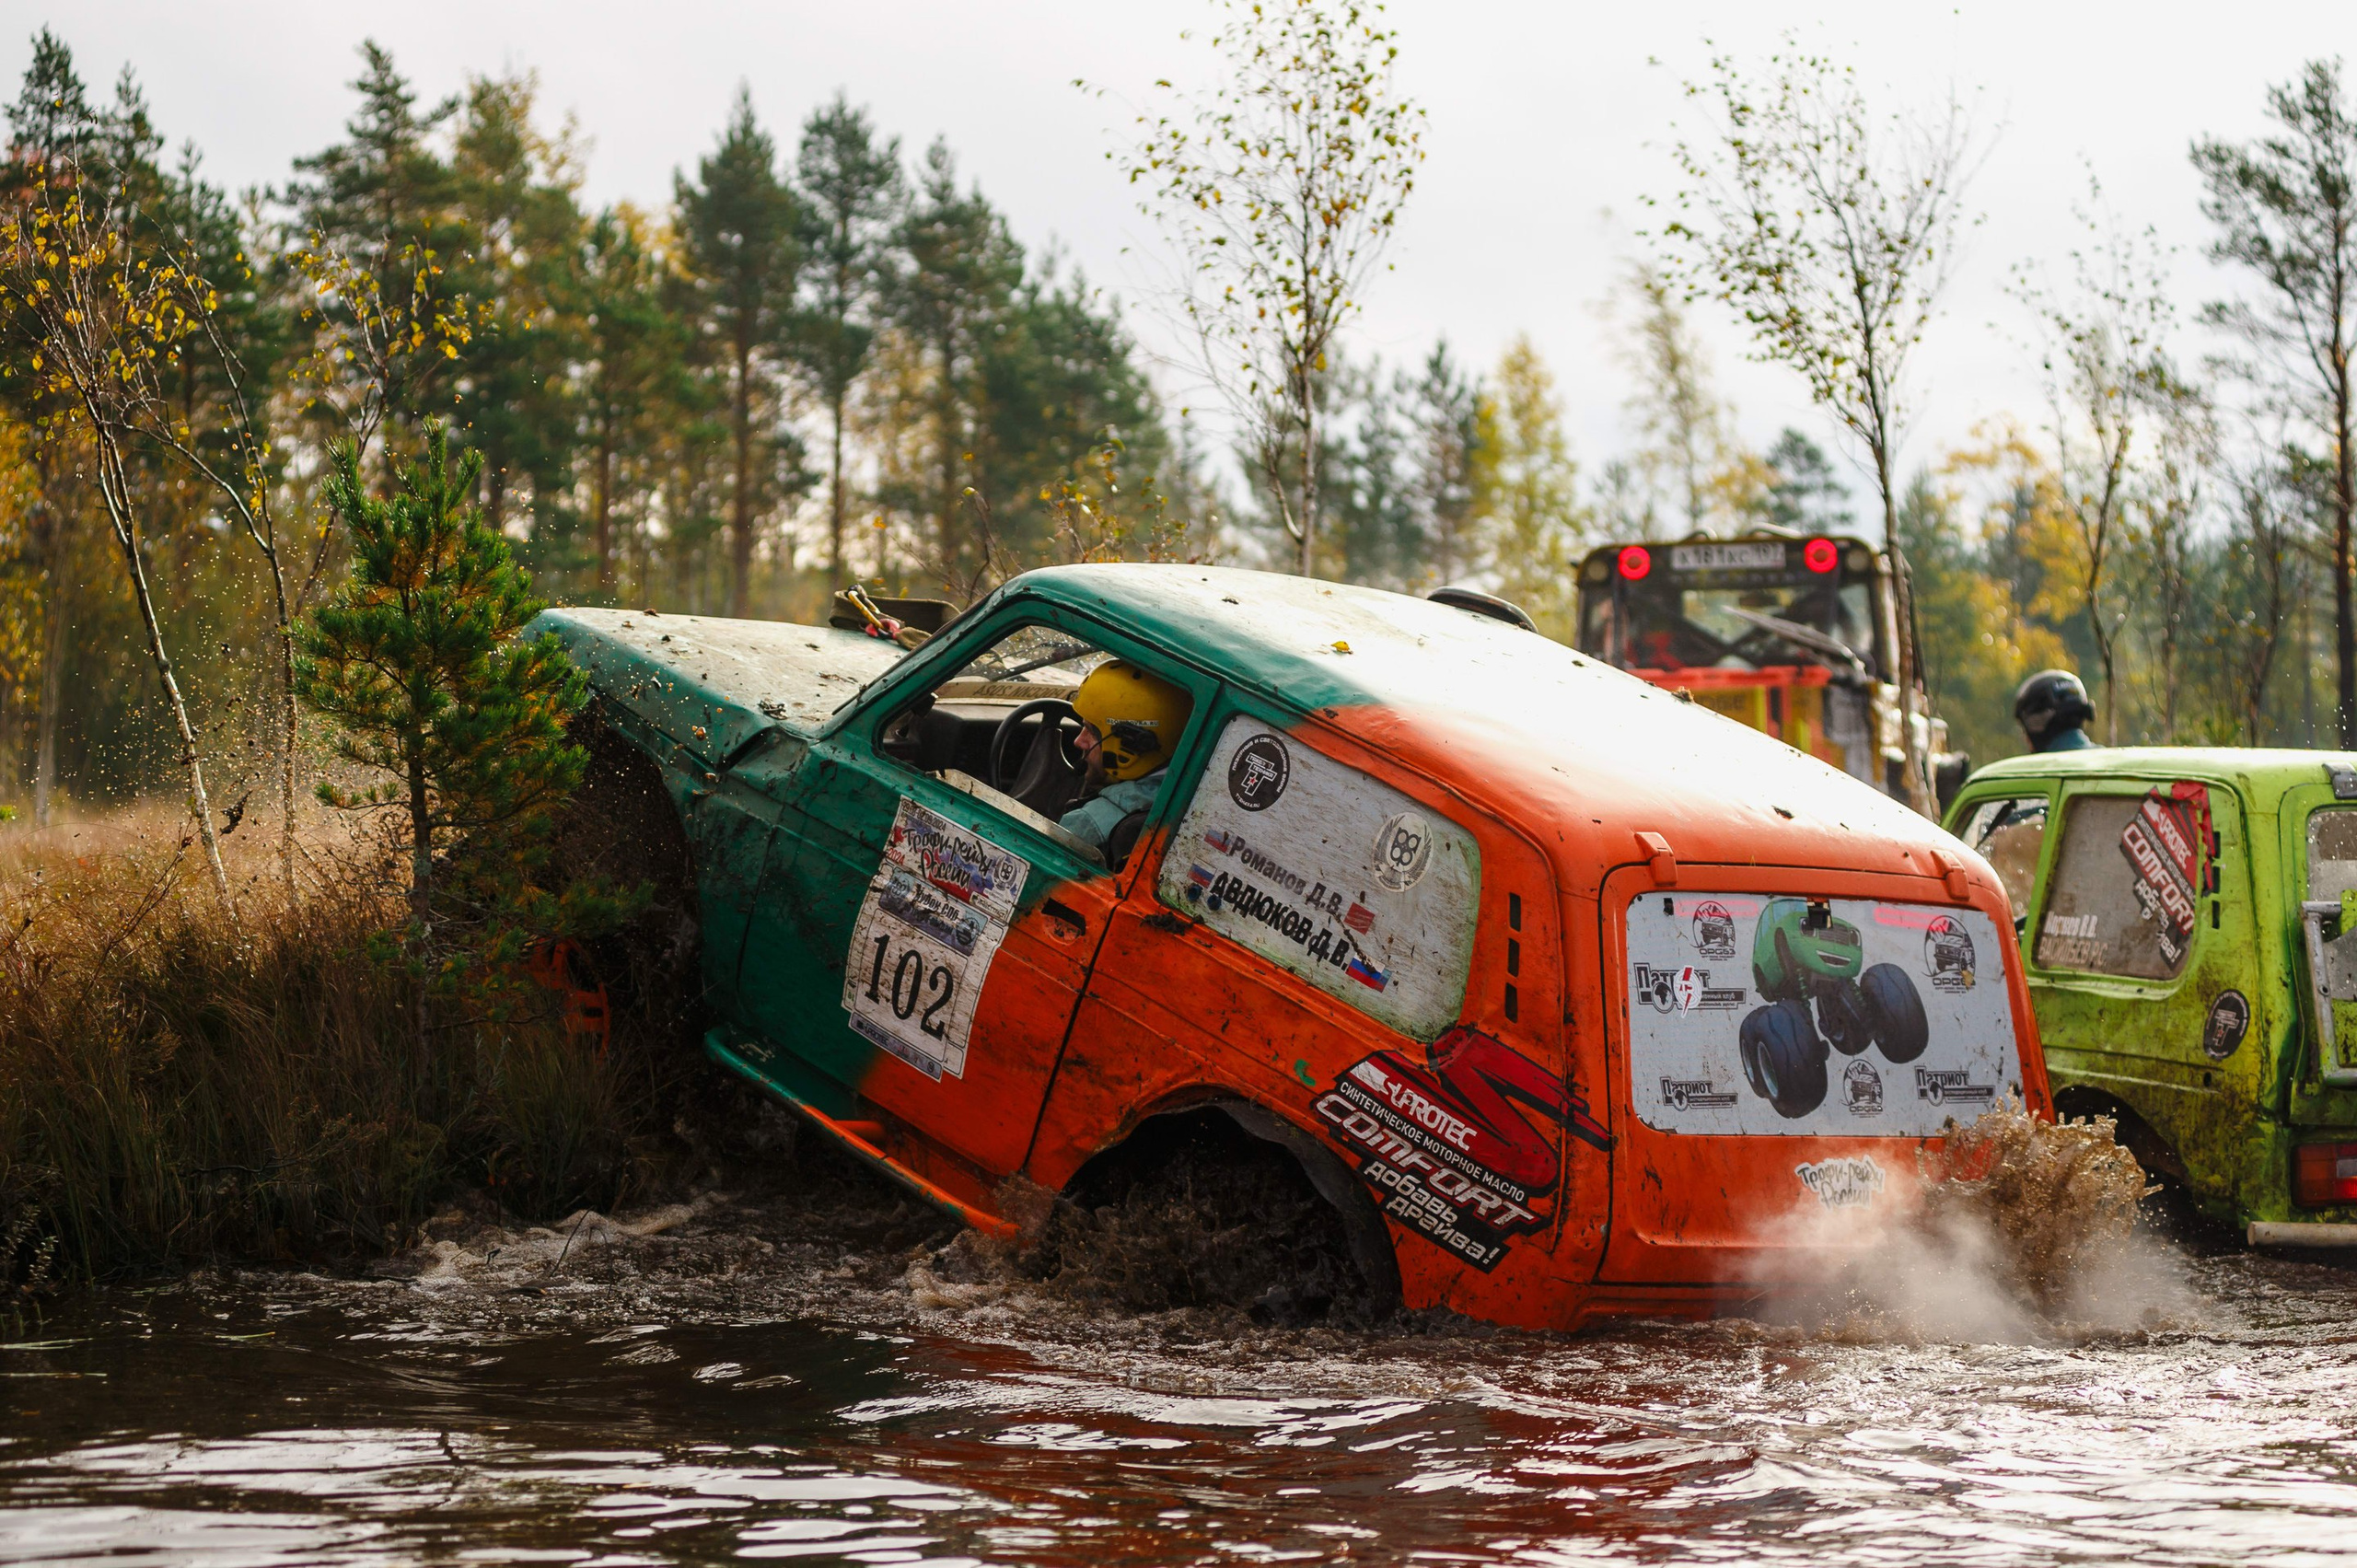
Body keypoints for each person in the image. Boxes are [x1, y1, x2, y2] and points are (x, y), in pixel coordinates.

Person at [1059, 661, 1192, 860]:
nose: (1079, 741)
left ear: (1132, 745)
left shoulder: (1088, 825)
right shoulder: (1191, 790)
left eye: (1093, 732)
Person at [2014, 668, 2097, 753]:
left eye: (2023, 731)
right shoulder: (2108, 759)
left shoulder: (2023, 766)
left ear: (2035, 724)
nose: (2025, 739)